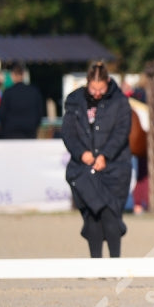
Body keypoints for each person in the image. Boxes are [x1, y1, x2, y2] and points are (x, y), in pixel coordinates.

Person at [61, 61, 132, 258]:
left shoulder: (120, 102)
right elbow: (68, 132)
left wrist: (104, 155)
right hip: (83, 167)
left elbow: (121, 132)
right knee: (92, 216)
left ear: (108, 82)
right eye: (93, 88)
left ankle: (114, 263)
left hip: (115, 167)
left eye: (101, 89)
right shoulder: (74, 101)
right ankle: (96, 264)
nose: (97, 93)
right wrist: (81, 153)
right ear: (87, 83)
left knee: (110, 214)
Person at [0, 63, 45, 139]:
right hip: (30, 129)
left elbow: (1, 112)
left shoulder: (8, 92)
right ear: (23, 75)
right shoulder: (34, 91)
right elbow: (40, 111)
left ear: (13, 75)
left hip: (11, 130)